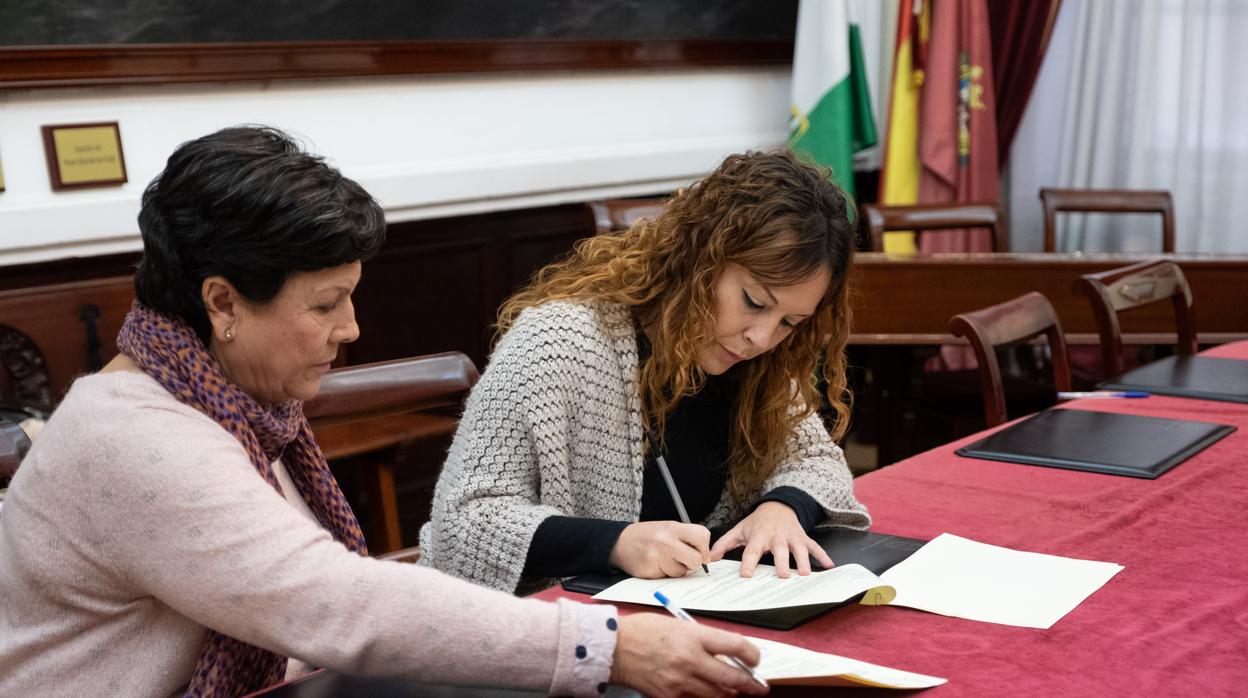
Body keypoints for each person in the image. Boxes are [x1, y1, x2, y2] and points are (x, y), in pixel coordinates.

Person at [0, 126, 767, 698]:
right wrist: (607, 646)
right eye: (327, 304)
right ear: (223, 303)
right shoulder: (136, 440)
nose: (352, 328)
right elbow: (335, 602)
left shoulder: (216, 398)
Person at [420, 150, 871, 595]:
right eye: (754, 301)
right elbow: (463, 522)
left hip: (678, 619)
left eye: (790, 322)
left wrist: (783, 507)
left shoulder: (759, 360)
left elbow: (814, 459)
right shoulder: (558, 340)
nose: (762, 337)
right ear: (699, 260)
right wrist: (614, 543)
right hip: (533, 626)